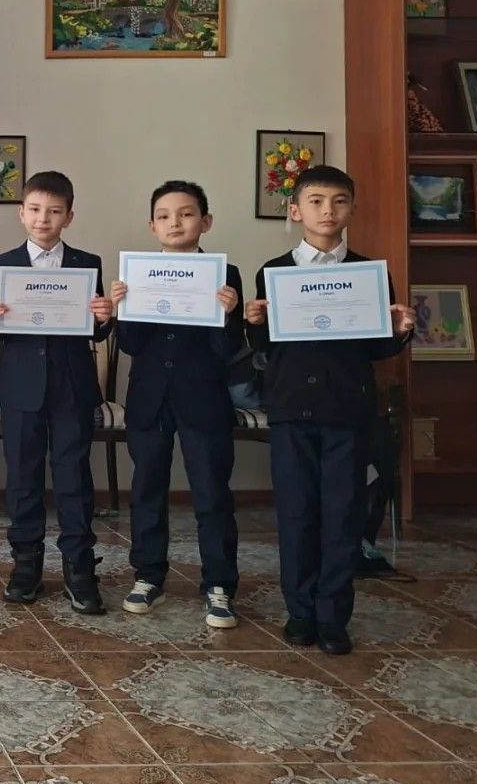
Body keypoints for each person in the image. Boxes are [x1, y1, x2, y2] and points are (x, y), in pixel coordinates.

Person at [245, 164, 414, 656]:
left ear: (351, 209)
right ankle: (300, 612)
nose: (328, 211)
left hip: (347, 409)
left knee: (341, 515)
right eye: (316, 201)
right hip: (291, 409)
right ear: (296, 210)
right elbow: (268, 348)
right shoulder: (272, 271)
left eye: (339, 201)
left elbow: (376, 347)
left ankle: (333, 616)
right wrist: (254, 323)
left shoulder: (370, 272)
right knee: (297, 513)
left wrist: (400, 331)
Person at [108, 180, 243, 629]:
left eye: (186, 214)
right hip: (149, 399)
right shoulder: (137, 272)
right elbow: (131, 345)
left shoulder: (226, 274)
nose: (175, 223)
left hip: (203, 398)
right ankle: (148, 576)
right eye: (164, 216)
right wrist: (122, 307)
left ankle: (219, 585)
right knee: (147, 490)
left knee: (212, 493)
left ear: (206, 222)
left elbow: (227, 350)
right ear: (152, 226)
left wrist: (228, 314)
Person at [0, 170, 114, 614]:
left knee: (74, 476)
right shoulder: (0, 264)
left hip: (72, 385)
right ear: (21, 213)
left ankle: (80, 567)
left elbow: (96, 328)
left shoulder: (87, 263)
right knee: (23, 475)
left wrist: (104, 317)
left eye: (54, 211)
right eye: (35, 210)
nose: (43, 219)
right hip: (21, 385)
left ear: (69, 216)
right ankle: (26, 564)